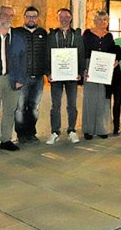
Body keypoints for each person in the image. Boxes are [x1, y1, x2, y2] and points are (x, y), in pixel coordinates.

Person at [0, 5, 26, 153]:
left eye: (10, 16)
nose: (7, 18)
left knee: (10, 110)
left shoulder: (18, 37)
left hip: (12, 79)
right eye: (4, 15)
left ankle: (6, 140)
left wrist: (21, 78)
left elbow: (23, 59)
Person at [82, 10, 121, 139]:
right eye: (99, 19)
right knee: (90, 98)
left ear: (108, 22)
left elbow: (113, 52)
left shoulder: (109, 36)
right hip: (90, 67)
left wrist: (115, 61)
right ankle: (88, 130)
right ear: (95, 20)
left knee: (103, 99)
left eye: (105, 19)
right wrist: (83, 69)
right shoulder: (87, 33)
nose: (102, 22)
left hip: (104, 69)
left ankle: (102, 129)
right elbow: (82, 52)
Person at [46, 8, 85, 144]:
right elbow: (47, 55)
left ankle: (72, 130)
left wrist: (80, 72)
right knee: (55, 105)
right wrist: (48, 73)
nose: (64, 19)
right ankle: (55, 131)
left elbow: (81, 54)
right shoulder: (52, 35)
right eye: (61, 16)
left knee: (72, 105)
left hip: (72, 77)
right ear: (58, 18)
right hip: (56, 76)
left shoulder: (76, 35)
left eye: (66, 17)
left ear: (71, 18)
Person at [15, 6, 48, 144]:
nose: (31, 19)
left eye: (34, 16)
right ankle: (21, 134)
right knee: (20, 108)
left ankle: (31, 132)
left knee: (34, 107)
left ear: (37, 18)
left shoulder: (43, 33)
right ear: (24, 17)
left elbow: (47, 54)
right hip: (22, 78)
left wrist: (47, 72)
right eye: (28, 16)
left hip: (39, 77)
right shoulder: (17, 33)